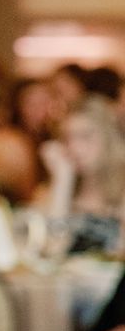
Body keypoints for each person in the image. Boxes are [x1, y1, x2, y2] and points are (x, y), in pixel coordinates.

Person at [37, 97, 125, 254]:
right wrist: (63, 181)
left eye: (85, 136)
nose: (75, 148)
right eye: (67, 138)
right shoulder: (64, 185)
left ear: (108, 137)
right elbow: (52, 249)